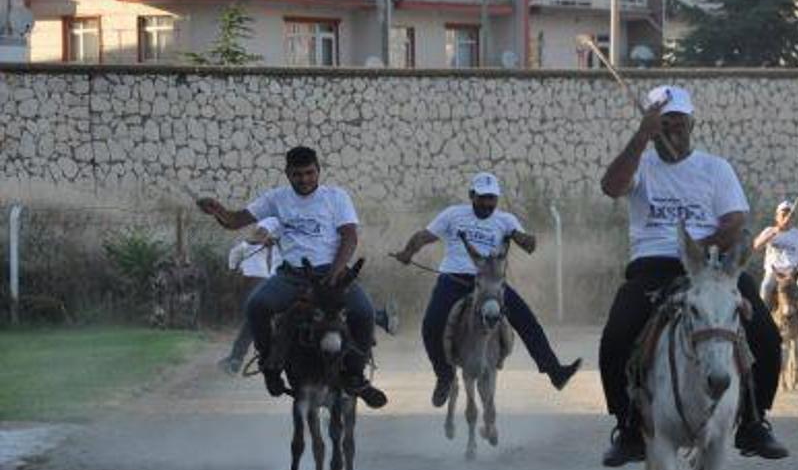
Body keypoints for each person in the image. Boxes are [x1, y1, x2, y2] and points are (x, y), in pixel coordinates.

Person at [597, 84, 788, 467]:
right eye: (664, 125)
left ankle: (754, 420)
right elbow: (611, 186)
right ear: (653, 126)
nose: (674, 132)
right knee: (615, 339)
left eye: (680, 124)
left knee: (766, 335)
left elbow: (735, 220)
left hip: (711, 266)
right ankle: (629, 428)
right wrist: (640, 137)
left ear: (692, 124)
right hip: (654, 266)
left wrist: (701, 250)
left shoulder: (715, 168)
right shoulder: (640, 166)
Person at [196, 146, 387, 408]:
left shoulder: (336, 197)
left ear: (318, 170)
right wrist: (217, 209)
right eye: (298, 174)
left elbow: (350, 236)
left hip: (333, 274)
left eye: (310, 173)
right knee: (256, 305)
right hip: (292, 276)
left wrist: (335, 272)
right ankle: (270, 366)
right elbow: (234, 221)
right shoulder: (276, 198)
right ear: (287, 174)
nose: (305, 179)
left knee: (364, 312)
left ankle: (355, 375)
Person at [391, 172, 581, 407]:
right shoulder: (453, 214)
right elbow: (424, 236)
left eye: (492, 198)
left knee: (527, 320)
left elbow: (529, 246)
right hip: (453, 278)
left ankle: (555, 372)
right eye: (482, 198)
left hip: (490, 281)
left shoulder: (505, 220)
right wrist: (408, 252)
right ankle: (444, 376)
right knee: (431, 324)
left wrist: (523, 237)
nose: (488, 203)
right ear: (472, 195)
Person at [218, 217, 281, 376]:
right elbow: (258, 236)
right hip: (265, 282)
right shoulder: (272, 222)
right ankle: (236, 360)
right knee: (254, 318)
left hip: (283, 281)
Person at [754, 200, 798, 336]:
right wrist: (771, 234)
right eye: (783, 214)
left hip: (793, 273)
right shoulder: (769, 230)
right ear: (777, 216)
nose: (787, 218)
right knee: (766, 287)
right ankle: (762, 324)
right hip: (774, 273)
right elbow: (756, 246)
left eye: (790, 215)